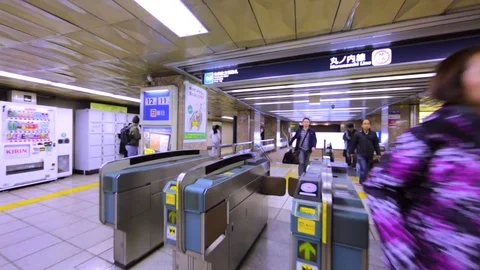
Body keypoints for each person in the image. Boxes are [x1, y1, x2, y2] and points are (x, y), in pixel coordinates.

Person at [364, 47, 480, 270]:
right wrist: (404, 257)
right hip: (438, 258)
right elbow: (380, 188)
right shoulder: (433, 132)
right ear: (457, 79)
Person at [348, 119, 381, 184]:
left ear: (370, 125)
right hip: (361, 154)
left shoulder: (373, 134)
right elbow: (353, 143)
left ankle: (362, 180)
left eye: (368, 124)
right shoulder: (358, 134)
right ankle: (363, 183)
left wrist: (378, 153)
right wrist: (351, 152)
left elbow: (376, 144)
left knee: (368, 169)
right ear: (362, 125)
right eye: (365, 124)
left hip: (370, 155)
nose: (366, 125)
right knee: (363, 169)